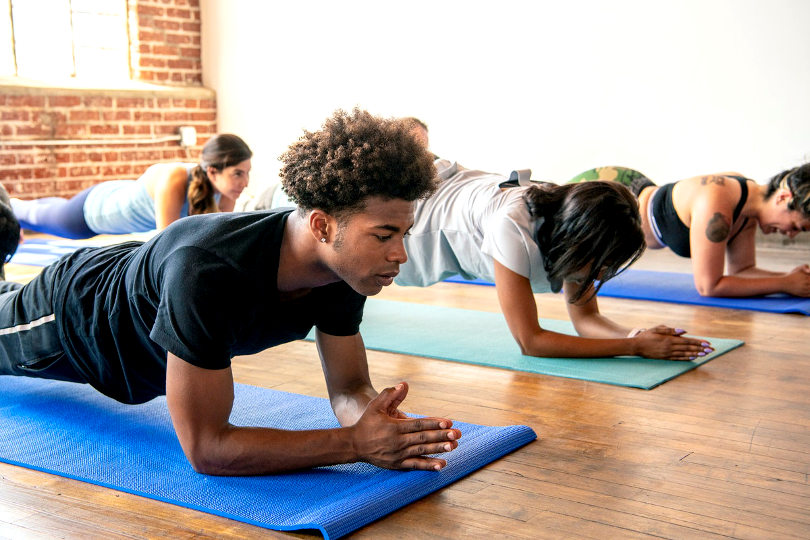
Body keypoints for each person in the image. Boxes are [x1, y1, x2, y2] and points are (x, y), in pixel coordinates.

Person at [0, 109, 462, 475]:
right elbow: (208, 448)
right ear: (323, 226)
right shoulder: (208, 272)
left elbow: (348, 389)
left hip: (137, 296)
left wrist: (379, 425)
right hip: (70, 316)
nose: (399, 254)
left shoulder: (344, 269)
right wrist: (354, 444)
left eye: (404, 234)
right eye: (384, 235)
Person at [396, 159, 713, 361]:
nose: (603, 274)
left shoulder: (573, 222)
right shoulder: (513, 227)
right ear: (581, 241)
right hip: (414, 220)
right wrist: (634, 348)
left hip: (440, 186)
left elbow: (587, 321)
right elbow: (530, 341)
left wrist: (636, 336)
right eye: (603, 264)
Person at [569, 165, 810, 297]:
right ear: (783, 197)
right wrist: (785, 284)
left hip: (634, 190)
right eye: (797, 226)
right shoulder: (718, 204)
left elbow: (743, 271)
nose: (790, 234)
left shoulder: (748, 207)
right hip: (605, 196)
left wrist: (790, 278)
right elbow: (709, 286)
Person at [10, 134, 253, 239]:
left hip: (121, 198)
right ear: (212, 171)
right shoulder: (175, 178)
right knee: (36, 216)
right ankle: (9, 206)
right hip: (97, 210)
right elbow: (166, 245)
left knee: (50, 209)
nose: (245, 183)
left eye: (247, 173)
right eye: (238, 174)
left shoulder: (225, 190)